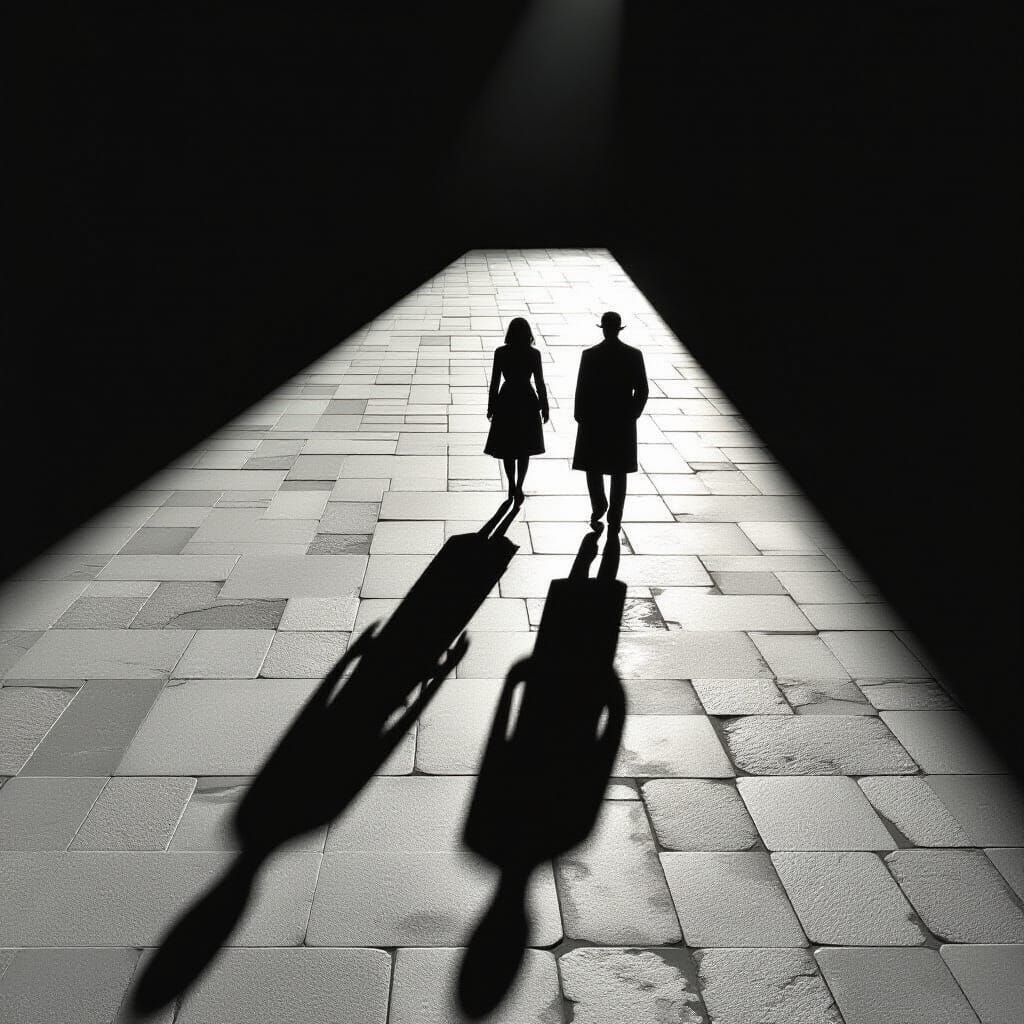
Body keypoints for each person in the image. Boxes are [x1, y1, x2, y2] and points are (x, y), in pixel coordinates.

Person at [572, 311, 649, 530]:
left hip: (595, 417)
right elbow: (642, 389)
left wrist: (580, 414)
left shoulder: (589, 355)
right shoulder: (633, 355)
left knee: (592, 465)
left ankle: (599, 504)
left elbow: (582, 388)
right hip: (621, 418)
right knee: (619, 469)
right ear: (619, 328)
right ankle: (615, 513)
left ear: (604, 328)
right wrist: (633, 413)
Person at [484, 317, 549, 503]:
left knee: (507, 447)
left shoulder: (501, 352)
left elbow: (495, 381)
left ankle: (511, 483)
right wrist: (545, 405)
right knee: (524, 448)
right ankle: (519, 484)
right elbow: (539, 382)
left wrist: (491, 405)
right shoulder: (533, 354)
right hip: (527, 400)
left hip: (507, 400)